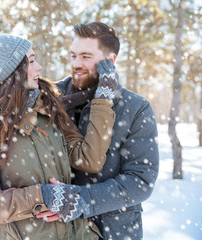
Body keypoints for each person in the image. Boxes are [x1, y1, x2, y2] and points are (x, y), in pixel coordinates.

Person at [0, 34, 117, 239]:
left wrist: (103, 100)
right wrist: (42, 197)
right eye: (31, 61)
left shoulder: (48, 105)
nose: (39, 67)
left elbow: (89, 159)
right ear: (12, 72)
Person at [40, 22, 159, 240]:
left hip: (113, 231)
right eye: (73, 55)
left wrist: (83, 199)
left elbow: (141, 181)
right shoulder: (50, 99)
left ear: (110, 62)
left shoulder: (135, 107)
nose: (76, 63)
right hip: (54, 231)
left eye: (85, 57)